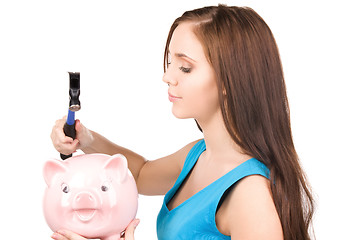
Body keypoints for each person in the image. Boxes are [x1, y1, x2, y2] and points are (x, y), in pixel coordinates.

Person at [50, 4, 314, 240]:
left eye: (185, 68)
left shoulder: (250, 196)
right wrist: (87, 139)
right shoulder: (197, 155)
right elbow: (140, 174)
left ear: (229, 79)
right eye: (169, 62)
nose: (167, 77)